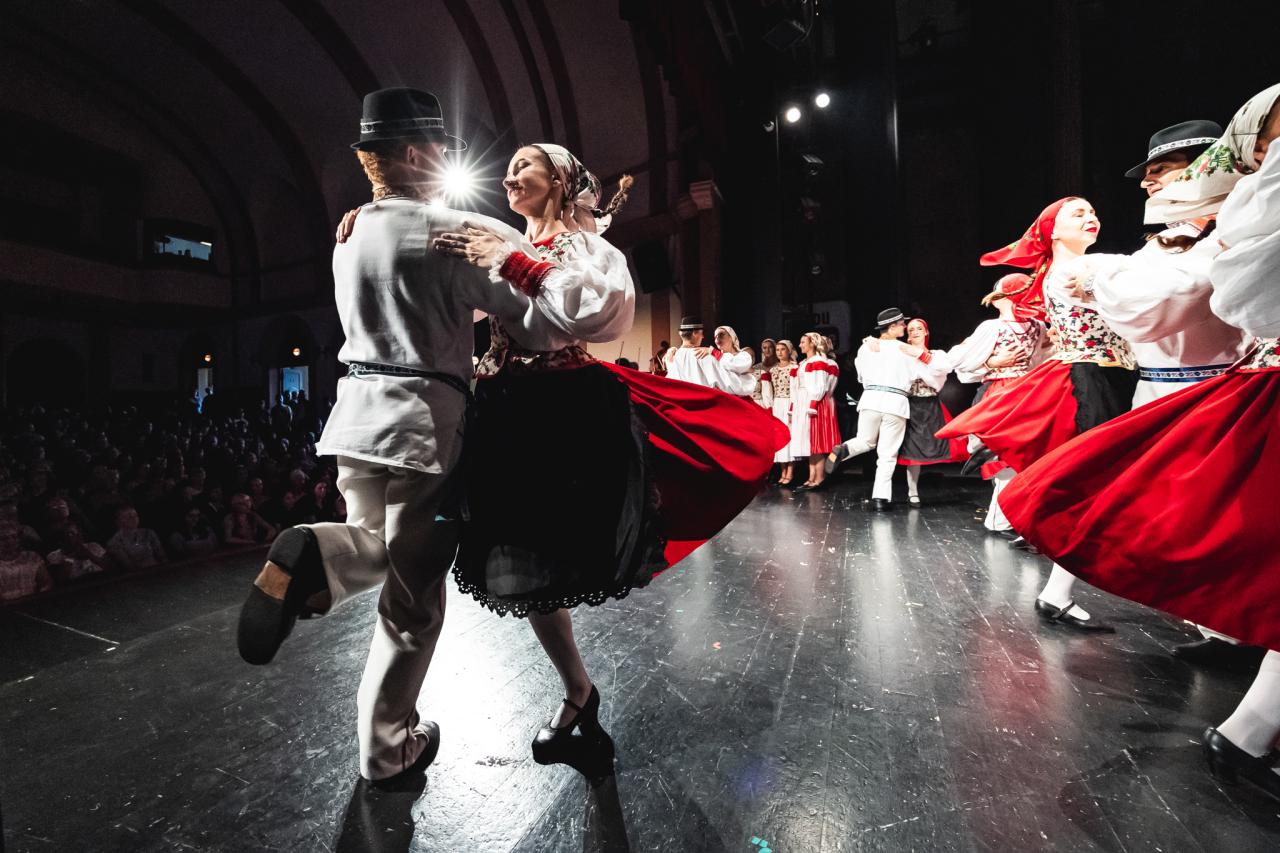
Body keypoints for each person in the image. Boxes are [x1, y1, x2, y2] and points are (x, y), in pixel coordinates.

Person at [234, 87, 565, 787]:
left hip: (355, 412)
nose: (446, 158)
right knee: (413, 602)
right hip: (424, 419)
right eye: (440, 148)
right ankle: (386, 750)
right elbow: (534, 322)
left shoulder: (350, 235)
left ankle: (314, 548)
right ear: (415, 154)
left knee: (372, 545)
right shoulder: (456, 230)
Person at [429, 141, 787, 780]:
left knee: (549, 557)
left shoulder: (591, 251)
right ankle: (579, 690)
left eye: (525, 165)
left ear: (560, 181)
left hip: (564, 410)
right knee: (520, 567)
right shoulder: (499, 240)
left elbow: (597, 316)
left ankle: (577, 695)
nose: (510, 176)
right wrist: (375, 217)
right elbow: (444, 273)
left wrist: (515, 264)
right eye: (507, 169)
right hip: (504, 412)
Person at [999, 83, 1280, 799]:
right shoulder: (1182, 245)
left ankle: (1233, 660)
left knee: (1176, 510)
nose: (1153, 184)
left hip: (1202, 384)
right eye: (1151, 174)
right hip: (1176, 385)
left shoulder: (1200, 236)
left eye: (1167, 170)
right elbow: (1166, 304)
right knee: (1137, 503)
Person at [937, 198, 1135, 631]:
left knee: (1104, 488)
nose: (1091, 217)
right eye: (1077, 214)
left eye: (1093, 212)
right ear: (1052, 231)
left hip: (1095, 376)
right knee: (1100, 488)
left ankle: (1056, 588)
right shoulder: (1074, 270)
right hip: (1092, 380)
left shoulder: (1068, 271)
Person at [943, 274, 1052, 534]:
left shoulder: (993, 327)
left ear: (1002, 298)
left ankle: (1000, 518)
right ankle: (1009, 515)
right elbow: (1040, 360)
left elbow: (958, 361)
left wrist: (988, 363)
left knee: (1002, 455)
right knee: (1016, 454)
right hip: (1027, 391)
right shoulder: (1038, 326)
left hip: (1000, 392)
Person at [825, 309, 932, 508]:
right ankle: (880, 498)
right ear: (892, 326)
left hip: (871, 399)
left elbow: (860, 376)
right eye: (902, 324)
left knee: (865, 441)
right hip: (895, 402)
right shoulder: (905, 349)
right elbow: (919, 374)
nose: (904, 327)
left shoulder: (866, 348)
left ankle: (845, 448)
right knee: (887, 454)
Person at [894, 319, 967, 506]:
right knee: (912, 451)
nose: (915, 332)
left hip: (930, 405)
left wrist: (920, 356)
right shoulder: (902, 356)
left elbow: (942, 370)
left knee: (941, 444)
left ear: (926, 332)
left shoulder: (937, 355)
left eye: (919, 328)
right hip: (910, 405)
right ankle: (912, 492)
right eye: (911, 330)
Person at [793, 332, 841, 491]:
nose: (800, 345)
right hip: (803, 401)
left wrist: (813, 403)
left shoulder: (820, 361)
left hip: (815, 402)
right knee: (809, 441)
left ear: (812, 343)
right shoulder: (804, 362)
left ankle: (819, 477)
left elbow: (822, 386)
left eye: (803, 342)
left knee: (816, 440)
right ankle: (811, 476)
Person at [105, 505, 166, 572]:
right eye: (128, 516)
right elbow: (129, 566)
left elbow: (162, 556)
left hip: (159, 569)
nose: (133, 518)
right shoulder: (114, 543)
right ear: (118, 521)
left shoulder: (148, 532)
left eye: (135, 515)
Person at [770, 340, 797, 485]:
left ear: (789, 351)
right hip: (777, 404)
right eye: (778, 349)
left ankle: (790, 472)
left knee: (789, 436)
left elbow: (796, 390)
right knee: (779, 437)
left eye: (783, 349)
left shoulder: (795, 367)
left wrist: (793, 408)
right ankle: (782, 471)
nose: (780, 352)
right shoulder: (773, 370)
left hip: (788, 403)